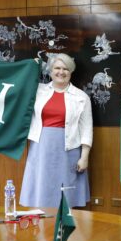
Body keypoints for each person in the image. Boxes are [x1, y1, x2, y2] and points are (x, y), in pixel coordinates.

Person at [20, 53, 92, 208]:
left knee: (66, 195)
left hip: (69, 150)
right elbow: (19, 85)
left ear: (71, 72)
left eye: (65, 69)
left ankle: (64, 228)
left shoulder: (81, 97)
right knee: (42, 190)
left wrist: (84, 157)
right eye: (57, 68)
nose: (61, 72)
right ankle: (43, 228)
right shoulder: (37, 91)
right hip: (41, 148)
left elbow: (86, 129)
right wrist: (30, 66)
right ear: (50, 71)